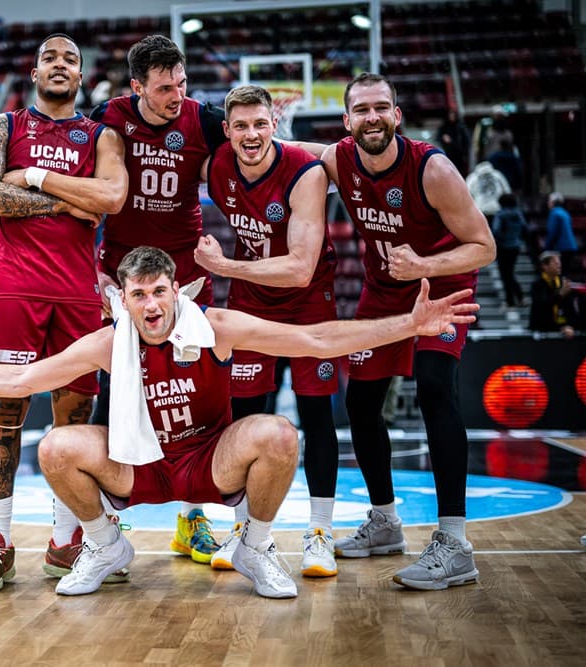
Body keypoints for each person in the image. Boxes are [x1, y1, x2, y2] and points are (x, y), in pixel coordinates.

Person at [0, 246, 479, 598]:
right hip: (139, 465)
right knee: (55, 446)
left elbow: (316, 339)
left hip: (210, 461)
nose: (152, 305)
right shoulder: (109, 341)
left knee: (278, 434)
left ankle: (254, 549)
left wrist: (408, 326)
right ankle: (106, 546)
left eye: (160, 291)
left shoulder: (216, 327)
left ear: (177, 291)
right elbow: (22, 381)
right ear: (123, 300)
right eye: (139, 295)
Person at [311, 73, 496, 591]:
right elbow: (280, 148)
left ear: (397, 115)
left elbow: (484, 246)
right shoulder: (338, 159)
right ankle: (385, 522)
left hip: (442, 287)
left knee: (435, 388)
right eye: (361, 110)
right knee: (361, 404)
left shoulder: (432, 168)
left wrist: (425, 265)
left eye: (381, 107)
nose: (372, 117)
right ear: (347, 122)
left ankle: (455, 543)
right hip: (384, 290)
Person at [0, 33, 128, 594]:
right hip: (14, 289)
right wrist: (65, 202)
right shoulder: (1, 127)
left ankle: (66, 542)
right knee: (5, 416)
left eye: (71, 59)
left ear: (81, 76)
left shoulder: (100, 135)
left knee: (74, 423)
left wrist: (31, 181)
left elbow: (111, 200)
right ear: (34, 73)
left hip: (77, 293)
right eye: (49, 58)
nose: (60, 64)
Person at [89, 34, 228, 565]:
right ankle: (104, 528)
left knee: (196, 398)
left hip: (186, 280)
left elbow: (264, 156)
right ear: (137, 86)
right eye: (165, 87)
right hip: (124, 280)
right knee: (113, 389)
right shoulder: (108, 117)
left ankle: (192, 520)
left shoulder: (204, 119)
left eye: (182, 84)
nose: (177, 95)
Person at [196, 85, 340, 577]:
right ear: (227, 131)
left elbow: (300, 269)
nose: (251, 134)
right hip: (251, 301)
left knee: (316, 415)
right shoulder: (216, 165)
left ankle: (320, 533)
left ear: (275, 125)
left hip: (307, 300)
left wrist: (224, 268)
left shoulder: (304, 171)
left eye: (260, 123)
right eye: (241, 126)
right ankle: (245, 530)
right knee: (243, 420)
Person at [528, 251, 579, 338]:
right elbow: (541, 305)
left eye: (559, 262)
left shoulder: (564, 282)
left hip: (562, 327)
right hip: (542, 329)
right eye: (555, 263)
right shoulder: (537, 284)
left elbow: (570, 307)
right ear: (545, 266)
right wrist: (560, 295)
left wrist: (570, 325)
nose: (559, 265)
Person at [492, 193, 528, 307]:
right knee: (510, 273)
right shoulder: (518, 214)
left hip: (504, 247)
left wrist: (501, 239)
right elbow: (525, 227)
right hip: (515, 246)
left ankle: (511, 300)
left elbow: (496, 230)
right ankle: (519, 298)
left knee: (505, 274)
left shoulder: (500, 214)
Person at [544, 192, 579, 280]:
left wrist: (546, 248)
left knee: (558, 273)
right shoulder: (565, 213)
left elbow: (552, 233)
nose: (548, 203)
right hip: (571, 246)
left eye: (549, 201)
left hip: (561, 248)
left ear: (552, 202)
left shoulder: (554, 213)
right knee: (564, 272)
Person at [437, 109, 471, 176]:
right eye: (450, 115)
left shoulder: (460, 127)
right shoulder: (444, 127)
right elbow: (438, 137)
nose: (451, 117)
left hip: (459, 154)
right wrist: (443, 138)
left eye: (453, 115)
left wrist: (465, 153)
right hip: (448, 154)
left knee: (460, 172)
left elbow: (466, 141)